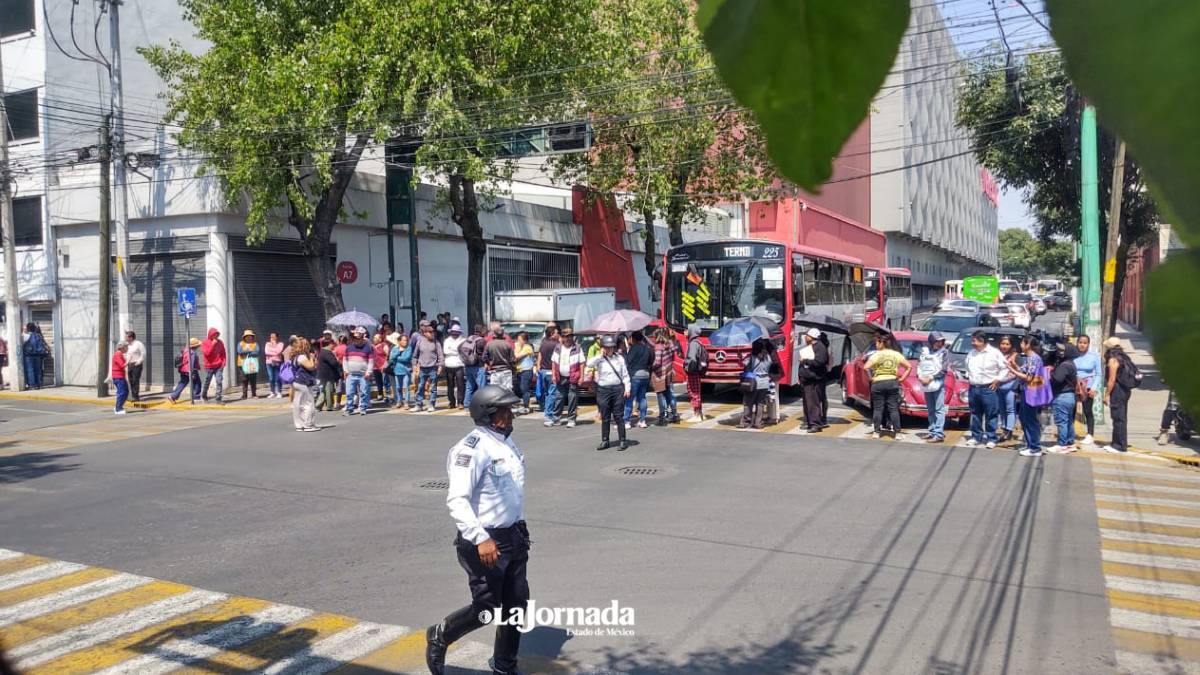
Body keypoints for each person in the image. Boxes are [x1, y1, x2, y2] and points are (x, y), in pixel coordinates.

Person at [425, 385, 528, 675]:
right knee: (486, 609)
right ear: (489, 415)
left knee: (516, 605)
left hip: (514, 535)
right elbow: (457, 499)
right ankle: (440, 635)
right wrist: (481, 538)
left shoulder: (506, 442)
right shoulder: (470, 449)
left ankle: (505, 666)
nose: (512, 415)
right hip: (485, 540)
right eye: (506, 410)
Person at [964, 330, 1007, 449]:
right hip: (973, 388)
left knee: (991, 414)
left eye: (975, 341)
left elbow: (1005, 368)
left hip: (988, 388)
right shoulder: (971, 353)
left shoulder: (994, 353)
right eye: (972, 340)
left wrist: (998, 380)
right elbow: (967, 367)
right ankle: (975, 437)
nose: (973, 343)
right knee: (975, 413)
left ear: (982, 341)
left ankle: (991, 438)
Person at [864, 332, 910, 439]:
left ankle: (876, 431)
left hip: (878, 383)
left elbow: (866, 367)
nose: (876, 345)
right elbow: (908, 367)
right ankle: (897, 432)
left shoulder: (877, 354)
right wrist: (902, 378)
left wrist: (871, 377)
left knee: (878, 408)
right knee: (893, 408)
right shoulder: (896, 354)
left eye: (876, 342)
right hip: (892, 382)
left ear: (881, 343)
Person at [589, 335, 631, 451]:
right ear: (603, 348)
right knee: (605, 416)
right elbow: (589, 364)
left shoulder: (620, 359)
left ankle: (622, 440)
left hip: (617, 389)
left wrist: (627, 388)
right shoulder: (600, 359)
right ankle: (605, 440)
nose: (609, 349)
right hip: (603, 390)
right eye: (606, 347)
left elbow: (625, 375)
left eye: (611, 347)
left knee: (618, 416)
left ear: (614, 347)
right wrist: (599, 356)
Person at [1008, 334, 1046, 456]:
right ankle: (1030, 444)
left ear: (1028, 345)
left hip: (1032, 392)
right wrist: (1013, 366)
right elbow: (1024, 370)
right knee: (1024, 417)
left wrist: (1013, 370)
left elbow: (1028, 377)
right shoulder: (1029, 358)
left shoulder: (1034, 358)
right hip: (1026, 391)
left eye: (1022, 343)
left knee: (1030, 419)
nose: (1020, 345)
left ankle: (1035, 447)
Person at [547, 328, 584, 427]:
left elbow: (582, 363)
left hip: (573, 376)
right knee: (559, 397)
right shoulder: (558, 347)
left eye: (570, 336)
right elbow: (554, 362)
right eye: (566, 336)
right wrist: (554, 375)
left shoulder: (577, 348)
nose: (568, 338)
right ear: (562, 337)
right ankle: (556, 419)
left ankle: (571, 419)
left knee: (572, 398)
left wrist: (582, 377)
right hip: (561, 376)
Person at [917, 332, 949, 443]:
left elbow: (944, 370)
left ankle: (939, 433)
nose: (939, 343)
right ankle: (932, 431)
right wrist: (920, 377)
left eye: (941, 341)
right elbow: (920, 365)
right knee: (930, 409)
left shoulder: (944, 352)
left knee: (939, 409)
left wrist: (931, 377)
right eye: (937, 341)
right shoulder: (925, 351)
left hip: (937, 384)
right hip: (926, 384)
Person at [1047, 344, 1080, 453]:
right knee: (1068, 421)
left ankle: (1061, 444)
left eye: (1062, 350)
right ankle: (1070, 443)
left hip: (1062, 396)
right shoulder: (1071, 364)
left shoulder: (1064, 365)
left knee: (1061, 421)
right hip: (1070, 397)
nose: (1059, 352)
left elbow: (1057, 380)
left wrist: (1049, 375)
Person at [1103, 336, 1132, 454]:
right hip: (1125, 391)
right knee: (1120, 417)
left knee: (1118, 418)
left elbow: (1112, 380)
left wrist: (1106, 395)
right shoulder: (1124, 357)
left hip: (1118, 391)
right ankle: (1116, 443)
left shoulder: (1113, 360)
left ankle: (1119, 445)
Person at [739, 338, 776, 430]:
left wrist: (740, 357)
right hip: (765, 383)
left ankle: (746, 422)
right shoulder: (768, 357)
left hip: (753, 382)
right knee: (760, 403)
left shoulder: (752, 357)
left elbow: (744, 365)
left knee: (748, 403)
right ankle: (758, 423)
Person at [797, 327, 829, 434]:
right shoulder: (809, 347)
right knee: (807, 402)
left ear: (812, 337)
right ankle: (808, 422)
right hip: (806, 379)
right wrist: (799, 376)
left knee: (813, 403)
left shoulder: (820, 347)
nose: (805, 337)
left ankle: (816, 424)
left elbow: (819, 362)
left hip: (814, 380)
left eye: (807, 335)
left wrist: (806, 360)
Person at [1073, 334, 1102, 445]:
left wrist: (1094, 388)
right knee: (1072, 409)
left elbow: (1099, 374)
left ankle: (1090, 434)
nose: (1082, 345)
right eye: (1080, 342)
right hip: (1074, 385)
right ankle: (1069, 432)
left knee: (1087, 410)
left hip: (1088, 386)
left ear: (1088, 344)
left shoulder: (1094, 356)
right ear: (1077, 343)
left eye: (1085, 343)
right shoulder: (1073, 355)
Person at [412, 322, 445, 411]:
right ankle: (418, 405)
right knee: (420, 387)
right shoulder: (420, 342)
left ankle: (431, 404)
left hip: (433, 367)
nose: (432, 334)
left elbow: (440, 355)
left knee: (433, 388)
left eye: (433, 332)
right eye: (429, 332)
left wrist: (440, 366)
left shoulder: (436, 343)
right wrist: (414, 366)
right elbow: (415, 355)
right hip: (422, 368)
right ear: (425, 333)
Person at [624, 331, 653, 429]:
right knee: (642, 398)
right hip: (645, 375)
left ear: (633, 338)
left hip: (635, 375)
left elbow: (627, 361)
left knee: (630, 398)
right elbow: (650, 360)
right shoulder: (647, 348)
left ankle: (627, 421)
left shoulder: (634, 348)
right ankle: (643, 420)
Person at [341, 327, 374, 415]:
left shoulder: (368, 348)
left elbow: (371, 362)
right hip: (351, 374)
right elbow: (344, 361)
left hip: (363, 375)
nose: (357, 340)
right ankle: (349, 408)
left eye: (359, 338)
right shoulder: (348, 348)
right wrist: (345, 371)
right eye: (355, 338)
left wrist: (368, 372)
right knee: (349, 392)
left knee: (364, 392)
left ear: (362, 338)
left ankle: (363, 408)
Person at [291, 337, 320, 432]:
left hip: (297, 382)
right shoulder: (302, 357)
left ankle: (299, 424)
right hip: (304, 382)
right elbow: (311, 367)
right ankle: (308, 424)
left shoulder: (295, 356)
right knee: (309, 403)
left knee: (298, 404)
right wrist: (312, 358)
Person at [652, 328, 680, 425]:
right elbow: (673, 357)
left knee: (661, 395)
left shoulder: (658, 347)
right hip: (669, 370)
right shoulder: (670, 344)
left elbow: (657, 362)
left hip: (660, 374)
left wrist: (650, 366)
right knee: (670, 394)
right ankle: (674, 414)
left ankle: (662, 417)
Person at [995, 336, 1019, 442]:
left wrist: (1016, 388)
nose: (1004, 346)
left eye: (1007, 344)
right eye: (1003, 344)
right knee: (1002, 409)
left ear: (1011, 345)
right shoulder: (997, 355)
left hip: (1010, 386)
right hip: (999, 386)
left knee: (1010, 409)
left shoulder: (1016, 356)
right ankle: (1004, 428)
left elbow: (1020, 372)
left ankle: (1009, 430)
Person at [683, 325, 708, 421]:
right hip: (696, 371)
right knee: (696, 392)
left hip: (692, 371)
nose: (684, 332)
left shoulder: (693, 343)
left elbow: (692, 359)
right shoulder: (697, 342)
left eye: (686, 330)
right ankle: (700, 414)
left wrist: (687, 367)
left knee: (693, 392)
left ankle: (696, 414)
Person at [460, 324, 488, 407]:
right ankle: (481, 404)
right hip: (478, 366)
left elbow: (459, 347)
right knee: (481, 386)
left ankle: (467, 403)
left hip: (468, 365)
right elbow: (485, 355)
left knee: (469, 386)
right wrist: (486, 362)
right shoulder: (482, 341)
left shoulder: (469, 338)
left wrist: (464, 358)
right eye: (485, 330)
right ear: (482, 331)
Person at [169, 337, 202, 404]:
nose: (199, 346)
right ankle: (196, 397)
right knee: (197, 383)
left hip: (183, 370)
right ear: (195, 346)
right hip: (190, 370)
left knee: (182, 383)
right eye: (198, 345)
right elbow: (191, 363)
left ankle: (173, 396)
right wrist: (192, 372)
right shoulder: (192, 353)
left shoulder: (185, 350)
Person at [535, 324, 559, 412]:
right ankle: (549, 411)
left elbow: (540, 355)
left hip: (543, 371)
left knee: (544, 391)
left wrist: (538, 366)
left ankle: (543, 407)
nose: (558, 334)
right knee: (552, 393)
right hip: (552, 371)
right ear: (552, 334)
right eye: (557, 333)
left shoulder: (543, 343)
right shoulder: (557, 345)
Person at [443, 324, 467, 409]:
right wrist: (456, 350)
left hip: (459, 364)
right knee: (450, 385)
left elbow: (462, 352)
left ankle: (460, 402)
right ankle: (451, 402)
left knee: (460, 385)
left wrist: (452, 350)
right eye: (453, 332)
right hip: (449, 365)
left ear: (459, 333)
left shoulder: (463, 340)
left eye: (456, 332)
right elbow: (446, 351)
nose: (454, 334)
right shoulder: (447, 341)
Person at [200, 328, 227, 403]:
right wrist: (213, 344)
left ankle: (218, 398)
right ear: (210, 335)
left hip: (218, 366)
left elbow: (223, 353)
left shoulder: (220, 342)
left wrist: (223, 362)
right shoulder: (205, 342)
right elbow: (207, 353)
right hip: (209, 366)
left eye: (217, 334)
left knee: (219, 381)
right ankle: (204, 395)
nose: (216, 336)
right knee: (207, 382)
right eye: (214, 334)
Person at [316, 338, 344, 412]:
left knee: (324, 391)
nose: (334, 346)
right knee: (329, 391)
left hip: (324, 375)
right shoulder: (327, 353)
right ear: (329, 344)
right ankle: (329, 406)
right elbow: (333, 363)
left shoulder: (322, 352)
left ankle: (319, 405)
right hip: (328, 375)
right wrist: (337, 360)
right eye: (333, 344)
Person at [486, 325, 516, 391]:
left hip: (494, 371)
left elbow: (484, 357)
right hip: (506, 371)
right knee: (507, 392)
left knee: (495, 392)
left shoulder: (489, 344)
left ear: (494, 334)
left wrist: (489, 363)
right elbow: (513, 360)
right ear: (503, 334)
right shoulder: (508, 344)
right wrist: (513, 369)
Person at [388, 333, 413, 409]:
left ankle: (406, 402)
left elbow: (407, 358)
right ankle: (399, 401)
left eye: (406, 340)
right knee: (398, 387)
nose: (406, 342)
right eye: (404, 340)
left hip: (406, 370)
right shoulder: (395, 349)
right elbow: (391, 358)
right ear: (399, 341)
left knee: (406, 387)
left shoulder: (409, 348)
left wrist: (397, 358)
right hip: (397, 370)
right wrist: (399, 352)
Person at [513, 332, 536, 414]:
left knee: (524, 388)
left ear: (524, 340)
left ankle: (526, 405)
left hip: (527, 370)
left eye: (519, 340)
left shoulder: (528, 347)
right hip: (519, 370)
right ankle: (523, 404)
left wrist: (516, 348)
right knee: (519, 388)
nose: (518, 341)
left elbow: (517, 356)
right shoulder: (519, 347)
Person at [21, 323, 48, 390]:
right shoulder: (38, 335)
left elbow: (21, 343)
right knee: (38, 369)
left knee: (30, 370)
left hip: (29, 355)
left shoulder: (26, 336)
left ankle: (32, 385)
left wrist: (23, 332)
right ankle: (40, 384)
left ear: (27, 328)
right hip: (38, 354)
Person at [237, 329, 261, 399]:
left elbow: (257, 352)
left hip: (252, 365)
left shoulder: (255, 344)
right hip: (242, 364)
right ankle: (244, 394)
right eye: (247, 336)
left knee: (253, 380)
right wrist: (250, 351)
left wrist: (247, 351)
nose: (249, 337)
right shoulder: (240, 344)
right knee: (244, 380)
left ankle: (254, 394)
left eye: (250, 336)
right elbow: (239, 351)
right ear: (244, 337)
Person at [123, 331, 146, 401]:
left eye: (126, 337)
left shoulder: (138, 344)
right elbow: (126, 354)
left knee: (135, 380)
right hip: (129, 364)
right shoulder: (127, 345)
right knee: (131, 380)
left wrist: (138, 362)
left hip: (136, 365)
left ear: (131, 337)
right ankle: (132, 395)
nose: (125, 338)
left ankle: (135, 396)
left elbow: (143, 353)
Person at [264, 332, 286, 398]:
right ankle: (272, 392)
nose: (272, 338)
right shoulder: (267, 344)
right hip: (269, 362)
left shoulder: (280, 344)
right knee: (271, 378)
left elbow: (279, 351)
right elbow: (266, 352)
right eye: (271, 337)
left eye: (273, 337)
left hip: (277, 362)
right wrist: (274, 352)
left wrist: (272, 351)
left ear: (277, 337)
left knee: (277, 377)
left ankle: (279, 392)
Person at [111, 341, 129, 414]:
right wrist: (128, 360)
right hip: (118, 377)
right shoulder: (118, 354)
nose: (127, 348)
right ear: (122, 347)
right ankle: (118, 408)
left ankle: (118, 407)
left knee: (124, 391)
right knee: (122, 392)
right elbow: (122, 365)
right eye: (126, 347)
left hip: (120, 376)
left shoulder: (120, 354)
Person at [372, 334, 391, 402]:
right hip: (375, 367)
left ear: (380, 339)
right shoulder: (373, 346)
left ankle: (388, 395)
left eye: (375, 338)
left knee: (386, 381)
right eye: (374, 338)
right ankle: (380, 394)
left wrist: (385, 365)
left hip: (383, 366)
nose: (374, 339)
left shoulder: (384, 345)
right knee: (378, 381)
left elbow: (388, 356)